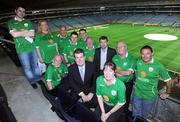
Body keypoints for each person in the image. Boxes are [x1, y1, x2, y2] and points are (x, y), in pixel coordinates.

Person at [132, 45, 171, 120]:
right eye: (143, 54)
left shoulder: (158, 66)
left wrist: (168, 92)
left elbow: (169, 80)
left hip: (149, 97)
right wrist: (138, 81)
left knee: (143, 116)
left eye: (147, 53)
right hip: (137, 94)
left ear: (152, 53)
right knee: (135, 114)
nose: (145, 56)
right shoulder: (138, 61)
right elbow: (136, 72)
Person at [8, 6, 41, 89]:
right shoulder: (11, 22)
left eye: (23, 11)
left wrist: (20, 32)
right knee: (27, 67)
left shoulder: (28, 21)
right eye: (20, 11)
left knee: (35, 65)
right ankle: (32, 81)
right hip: (22, 49)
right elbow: (14, 35)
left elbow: (32, 34)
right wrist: (26, 31)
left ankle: (37, 79)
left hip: (32, 47)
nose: (22, 12)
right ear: (15, 11)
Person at [112, 41, 136, 113]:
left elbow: (128, 73)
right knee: (116, 98)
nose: (118, 48)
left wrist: (117, 71)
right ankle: (116, 112)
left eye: (121, 46)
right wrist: (121, 72)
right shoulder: (115, 57)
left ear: (125, 47)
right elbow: (112, 70)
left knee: (125, 99)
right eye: (117, 47)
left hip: (127, 84)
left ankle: (124, 113)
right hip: (116, 82)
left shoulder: (131, 58)